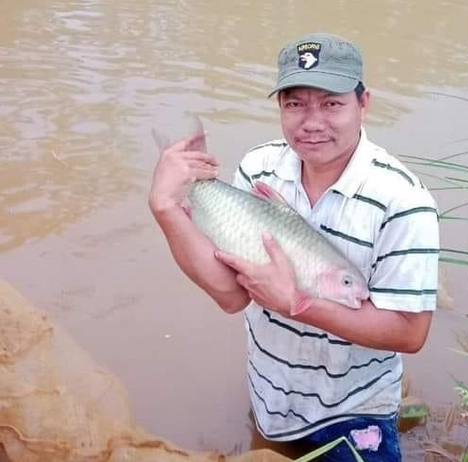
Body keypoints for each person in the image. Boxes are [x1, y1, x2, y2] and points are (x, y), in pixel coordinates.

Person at [148, 32, 440, 461]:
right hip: (270, 393)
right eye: (295, 103)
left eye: (332, 103)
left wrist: (296, 303)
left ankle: (398, 410)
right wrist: (166, 207)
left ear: (364, 103)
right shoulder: (259, 166)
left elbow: (411, 334)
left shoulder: (404, 203)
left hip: (355, 409)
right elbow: (231, 296)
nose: (311, 121)